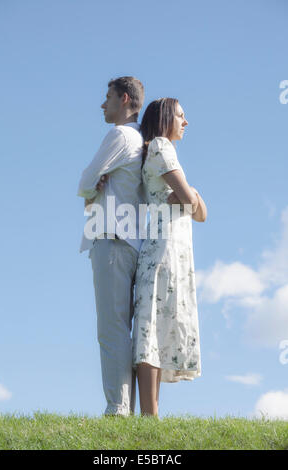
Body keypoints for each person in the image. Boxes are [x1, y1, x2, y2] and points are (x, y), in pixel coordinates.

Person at [132, 98, 207, 416]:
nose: (185, 122)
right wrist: (190, 195)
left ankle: (152, 414)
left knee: (159, 325)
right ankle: (150, 415)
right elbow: (191, 201)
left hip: (173, 249)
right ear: (165, 118)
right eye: (180, 115)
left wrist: (191, 195)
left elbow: (200, 211)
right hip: (162, 249)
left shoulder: (163, 150)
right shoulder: (161, 146)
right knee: (150, 327)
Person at [77, 76, 146, 416]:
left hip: (111, 238)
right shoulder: (138, 139)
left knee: (111, 328)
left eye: (106, 97)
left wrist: (93, 188)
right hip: (128, 241)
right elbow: (90, 189)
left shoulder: (121, 134)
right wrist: (93, 189)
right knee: (122, 328)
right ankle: (122, 407)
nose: (102, 104)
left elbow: (85, 182)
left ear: (123, 99)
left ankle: (117, 409)